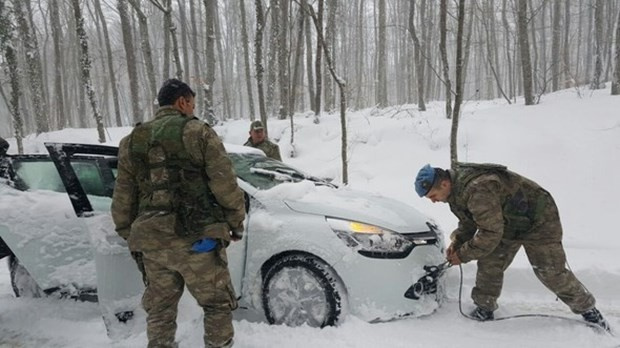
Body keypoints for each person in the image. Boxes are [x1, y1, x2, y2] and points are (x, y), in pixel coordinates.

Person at [111, 78, 246, 348]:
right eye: (192, 104)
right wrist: (235, 222)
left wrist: (128, 232)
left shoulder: (132, 140)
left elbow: (123, 194)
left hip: (151, 241)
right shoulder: (198, 132)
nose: (193, 110)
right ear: (182, 102)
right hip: (196, 237)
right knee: (217, 304)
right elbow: (224, 182)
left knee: (160, 310)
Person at [414, 163, 610, 331]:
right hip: (505, 223)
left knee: (550, 272)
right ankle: (484, 308)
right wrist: (457, 243)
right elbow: (469, 222)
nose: (433, 201)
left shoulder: (478, 189)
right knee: (490, 262)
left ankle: (588, 311)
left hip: (538, 220)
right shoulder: (454, 193)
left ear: (444, 183)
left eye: (433, 195)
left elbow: (490, 233)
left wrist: (463, 255)